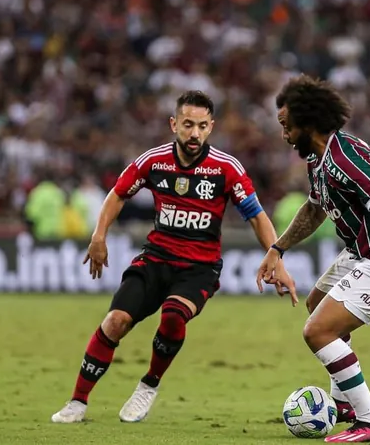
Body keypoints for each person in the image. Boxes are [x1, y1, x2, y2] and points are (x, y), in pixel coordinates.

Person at [51, 90, 296, 424]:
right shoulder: (153, 161)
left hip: (199, 268)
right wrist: (99, 235)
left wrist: (276, 259)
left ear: (211, 127)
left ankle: (149, 384)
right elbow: (117, 194)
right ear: (174, 124)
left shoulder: (226, 168)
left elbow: (256, 215)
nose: (194, 133)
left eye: (202, 126)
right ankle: (77, 403)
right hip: (155, 259)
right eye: (187, 125)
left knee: (173, 316)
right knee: (115, 322)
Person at [256, 76, 370, 443]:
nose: (284, 134)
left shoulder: (345, 155)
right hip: (361, 252)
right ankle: (343, 403)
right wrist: (277, 249)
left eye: (286, 125)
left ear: (307, 122)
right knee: (317, 305)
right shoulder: (318, 159)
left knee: (317, 331)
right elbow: (314, 209)